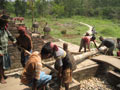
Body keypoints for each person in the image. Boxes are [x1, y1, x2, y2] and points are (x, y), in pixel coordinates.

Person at [0, 14, 16, 84]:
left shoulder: (5, 29)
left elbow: (10, 36)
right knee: (0, 65)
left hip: (5, 49)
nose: (6, 24)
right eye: (5, 22)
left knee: (3, 64)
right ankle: (1, 78)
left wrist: (14, 41)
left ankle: (3, 75)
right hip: (0, 51)